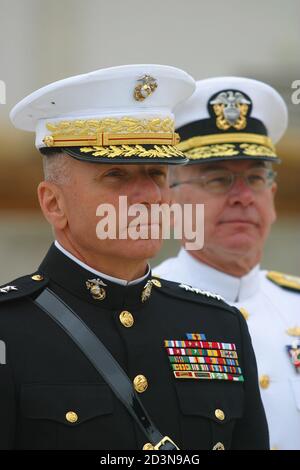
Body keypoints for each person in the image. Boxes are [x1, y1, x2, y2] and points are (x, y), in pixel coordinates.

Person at [0, 66, 268, 450]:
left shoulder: (221, 327)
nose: (149, 196)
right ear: (53, 203)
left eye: (157, 173)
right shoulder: (8, 330)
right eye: (115, 175)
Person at [155, 76, 300, 450]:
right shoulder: (143, 306)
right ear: (170, 202)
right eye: (218, 178)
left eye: (255, 178)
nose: (242, 197)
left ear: (272, 195)